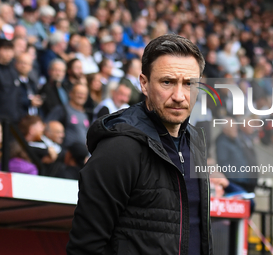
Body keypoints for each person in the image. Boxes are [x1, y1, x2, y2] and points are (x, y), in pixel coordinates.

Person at [67, 34, 213, 255]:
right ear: (144, 84)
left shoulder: (195, 143)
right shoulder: (119, 147)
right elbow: (85, 247)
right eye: (167, 82)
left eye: (189, 84)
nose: (179, 96)